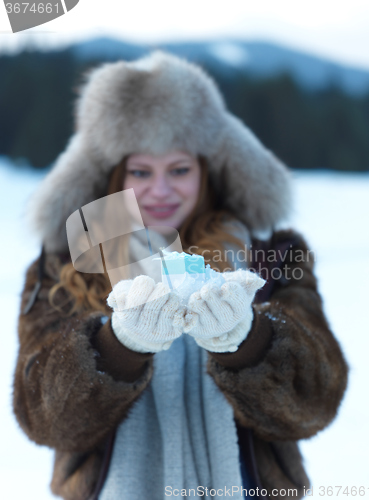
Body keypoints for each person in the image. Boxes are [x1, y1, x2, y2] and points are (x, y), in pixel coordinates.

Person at [13, 52, 348, 500]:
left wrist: (246, 341)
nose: (161, 189)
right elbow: (42, 417)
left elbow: (317, 401)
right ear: (113, 174)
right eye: (140, 171)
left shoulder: (271, 255)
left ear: (206, 171)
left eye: (179, 169)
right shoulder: (65, 264)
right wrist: (117, 347)